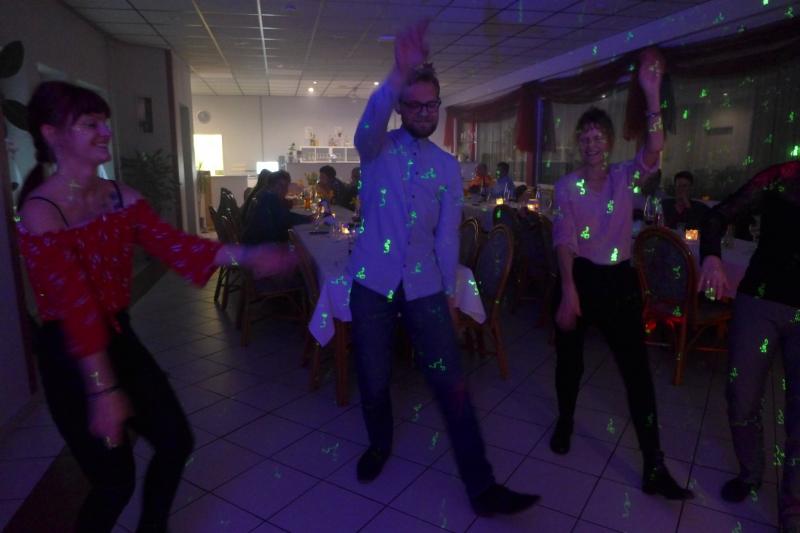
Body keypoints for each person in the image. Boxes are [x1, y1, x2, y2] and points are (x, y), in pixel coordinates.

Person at [15, 81, 297, 533]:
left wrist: (248, 254)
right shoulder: (40, 210)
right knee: (114, 482)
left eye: (104, 122)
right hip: (70, 355)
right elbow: (76, 308)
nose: (105, 131)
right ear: (52, 134)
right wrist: (104, 391)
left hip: (118, 336)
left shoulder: (120, 197)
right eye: (90, 123)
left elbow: (177, 246)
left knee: (175, 441)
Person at [348, 20, 538, 516]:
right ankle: (379, 444)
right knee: (373, 376)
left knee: (452, 383)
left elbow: (447, 235)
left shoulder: (447, 166)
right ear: (400, 106)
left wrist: (452, 295)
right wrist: (396, 72)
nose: (425, 113)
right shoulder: (375, 148)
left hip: (426, 288)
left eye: (432, 105)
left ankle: (482, 486)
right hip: (371, 283)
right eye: (415, 105)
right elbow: (367, 124)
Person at [550, 49, 693, 500]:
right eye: (585, 138)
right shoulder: (567, 186)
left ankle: (654, 465)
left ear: (608, 142)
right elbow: (564, 239)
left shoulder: (624, 178)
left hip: (620, 282)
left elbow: (654, 148)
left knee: (637, 375)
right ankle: (565, 420)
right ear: (579, 144)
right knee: (569, 362)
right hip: (581, 278)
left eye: (598, 137)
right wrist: (568, 290)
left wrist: (651, 95)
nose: (591, 143)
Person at [698, 161, 800, 530]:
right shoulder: (781, 177)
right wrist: (711, 255)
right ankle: (751, 472)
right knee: (741, 395)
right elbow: (716, 216)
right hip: (760, 300)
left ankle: (793, 509)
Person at [241, 170, 311, 244]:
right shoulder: (270, 197)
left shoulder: (264, 194)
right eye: (281, 185)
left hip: (256, 242)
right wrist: (308, 219)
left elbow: (285, 216)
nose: (284, 190)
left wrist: (306, 218)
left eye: (286, 186)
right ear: (272, 185)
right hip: (262, 246)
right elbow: (286, 220)